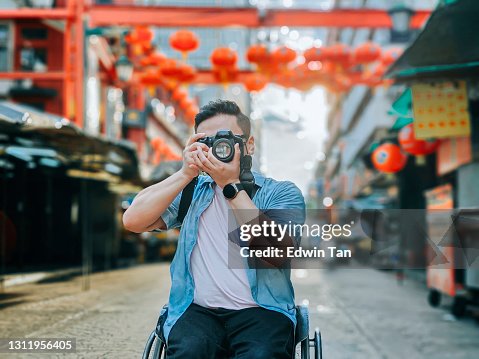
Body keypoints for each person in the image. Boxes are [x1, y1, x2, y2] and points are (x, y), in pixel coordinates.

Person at [123, 100, 305, 359]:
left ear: (249, 145)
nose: (218, 150)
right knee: (189, 352)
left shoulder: (281, 192)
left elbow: (277, 253)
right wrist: (185, 173)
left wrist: (231, 186)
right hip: (198, 310)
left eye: (227, 140)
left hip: (262, 310)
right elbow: (133, 220)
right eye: (206, 143)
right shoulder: (192, 190)